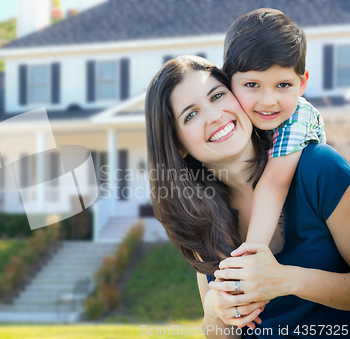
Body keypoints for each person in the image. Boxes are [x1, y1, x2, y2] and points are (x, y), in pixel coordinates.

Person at [145, 55, 350, 338]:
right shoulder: (199, 215)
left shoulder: (318, 168)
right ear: (177, 144)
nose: (215, 116)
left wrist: (287, 280)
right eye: (190, 115)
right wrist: (215, 310)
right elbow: (220, 331)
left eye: (217, 96)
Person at [223, 8, 325, 247]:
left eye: (282, 84)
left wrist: (251, 254)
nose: (268, 101)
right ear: (228, 81)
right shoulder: (236, 120)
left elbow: (274, 185)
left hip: (309, 226)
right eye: (252, 84)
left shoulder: (298, 116)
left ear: (302, 84)